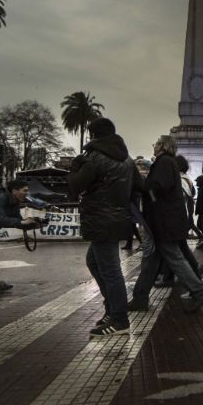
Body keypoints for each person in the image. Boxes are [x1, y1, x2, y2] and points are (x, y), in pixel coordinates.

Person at [68, 118, 138, 337]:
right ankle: (112, 309)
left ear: (93, 135)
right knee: (94, 262)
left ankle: (119, 319)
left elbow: (74, 187)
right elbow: (140, 185)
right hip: (118, 218)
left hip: (100, 219)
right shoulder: (127, 160)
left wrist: (75, 168)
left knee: (111, 270)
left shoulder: (95, 158)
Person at [129, 136, 203, 312]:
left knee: (174, 259)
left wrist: (143, 187)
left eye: (156, 143)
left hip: (164, 221)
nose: (154, 146)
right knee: (150, 262)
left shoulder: (164, 162)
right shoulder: (166, 163)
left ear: (164, 146)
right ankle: (140, 298)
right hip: (164, 221)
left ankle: (198, 290)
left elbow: (157, 188)